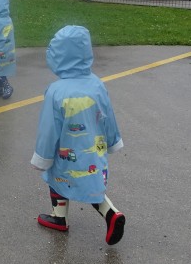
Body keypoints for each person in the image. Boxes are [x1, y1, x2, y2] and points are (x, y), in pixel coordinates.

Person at [30, 25, 126, 245]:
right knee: (91, 184)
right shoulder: (97, 84)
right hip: (94, 150)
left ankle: (60, 217)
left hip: (66, 152)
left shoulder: (56, 91)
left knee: (57, 178)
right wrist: (113, 140)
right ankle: (111, 213)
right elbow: (108, 115)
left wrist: (42, 157)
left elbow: (48, 129)